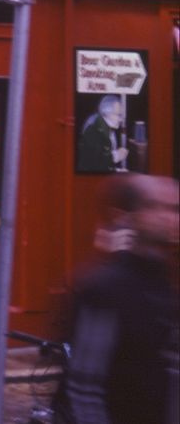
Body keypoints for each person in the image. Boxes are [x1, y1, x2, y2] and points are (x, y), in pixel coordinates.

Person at [65, 174, 179, 424]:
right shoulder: (106, 288)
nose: (169, 217)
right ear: (128, 215)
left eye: (174, 208)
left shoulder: (165, 283)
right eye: (153, 206)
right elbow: (85, 388)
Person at [78, 95, 130, 172]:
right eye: (119, 115)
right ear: (106, 113)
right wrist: (115, 156)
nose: (121, 119)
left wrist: (116, 170)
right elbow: (92, 164)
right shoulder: (93, 130)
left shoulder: (108, 128)